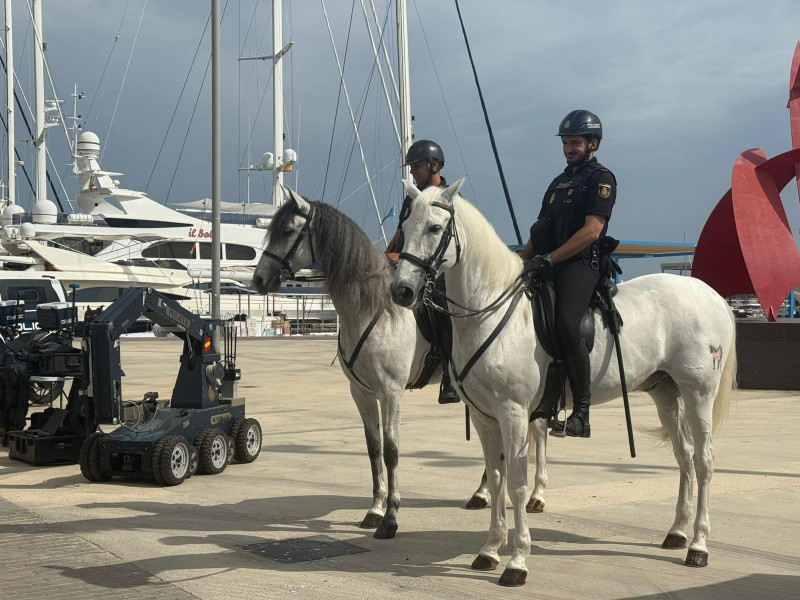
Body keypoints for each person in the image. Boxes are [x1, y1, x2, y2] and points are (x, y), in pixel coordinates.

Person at [520, 110, 616, 437]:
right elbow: (540, 231)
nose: (568, 148)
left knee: (566, 322)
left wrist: (548, 261)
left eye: (575, 142)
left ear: (594, 143)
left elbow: (591, 231)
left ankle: (582, 412)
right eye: (565, 142)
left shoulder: (601, 179)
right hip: (550, 261)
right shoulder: (558, 183)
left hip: (581, 264)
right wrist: (520, 263)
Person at [387, 139, 459, 404]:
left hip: (438, 270)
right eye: (412, 167)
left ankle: (450, 375)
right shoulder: (412, 198)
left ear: (434, 165)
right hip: (410, 264)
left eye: (416, 166)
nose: (413, 172)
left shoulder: (448, 197)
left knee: (442, 310)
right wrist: (385, 257)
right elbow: (399, 235)